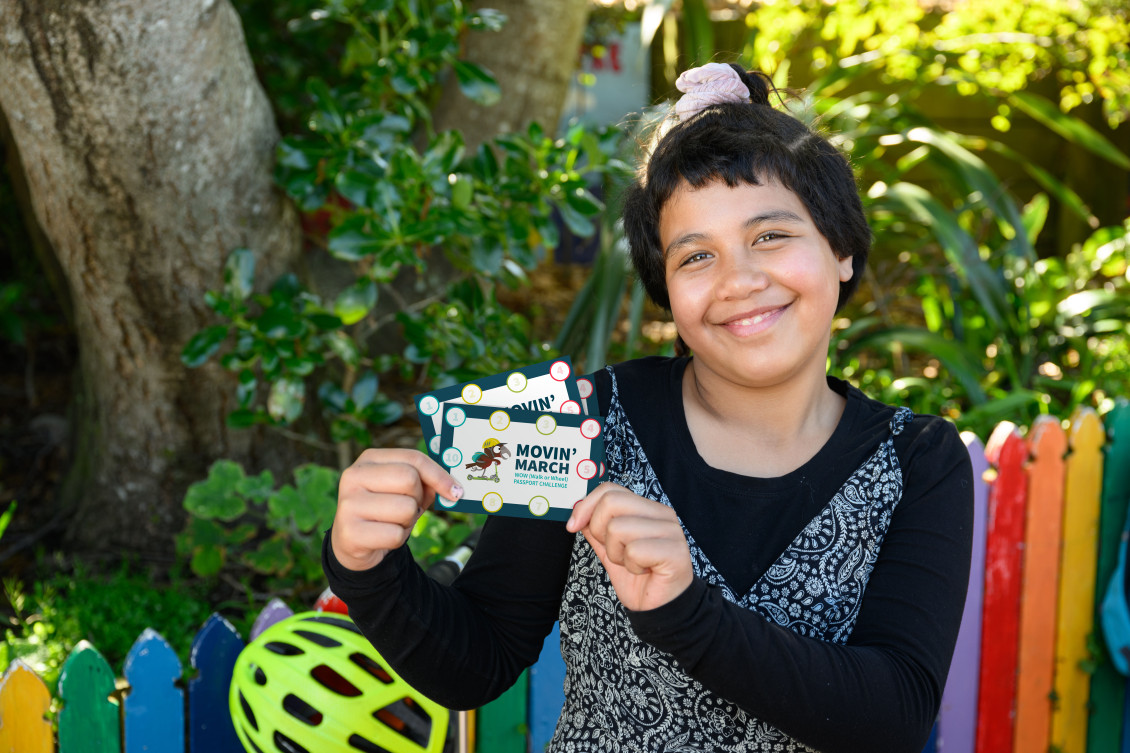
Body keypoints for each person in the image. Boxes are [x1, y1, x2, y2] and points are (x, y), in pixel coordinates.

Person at [324, 62, 974, 752]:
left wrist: (686, 613)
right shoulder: (581, 422)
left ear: (840, 248)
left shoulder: (917, 462)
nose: (740, 281)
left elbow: (894, 714)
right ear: (664, 286)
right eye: (696, 257)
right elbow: (478, 660)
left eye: (771, 236)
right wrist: (367, 565)